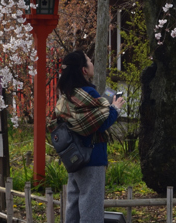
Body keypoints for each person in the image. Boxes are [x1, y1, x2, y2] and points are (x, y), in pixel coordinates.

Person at [52, 50, 123, 223]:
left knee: (74, 208)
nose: (92, 63)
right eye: (89, 61)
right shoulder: (89, 94)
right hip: (92, 156)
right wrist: (115, 108)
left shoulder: (67, 95)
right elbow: (100, 124)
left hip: (73, 157)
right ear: (84, 70)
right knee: (91, 208)